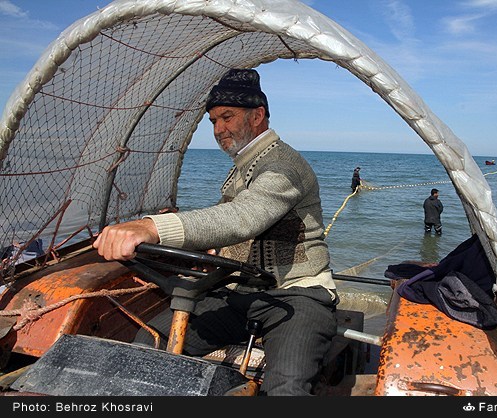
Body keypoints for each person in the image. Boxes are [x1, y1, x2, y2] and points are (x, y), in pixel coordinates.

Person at [92, 68, 338, 396]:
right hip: (238, 294)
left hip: (297, 296)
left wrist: (150, 227)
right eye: (213, 121)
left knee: (287, 388)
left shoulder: (283, 166)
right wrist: (213, 252)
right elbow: (228, 225)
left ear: (258, 115)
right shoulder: (244, 165)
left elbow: (244, 218)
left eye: (227, 117)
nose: (219, 129)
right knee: (150, 341)